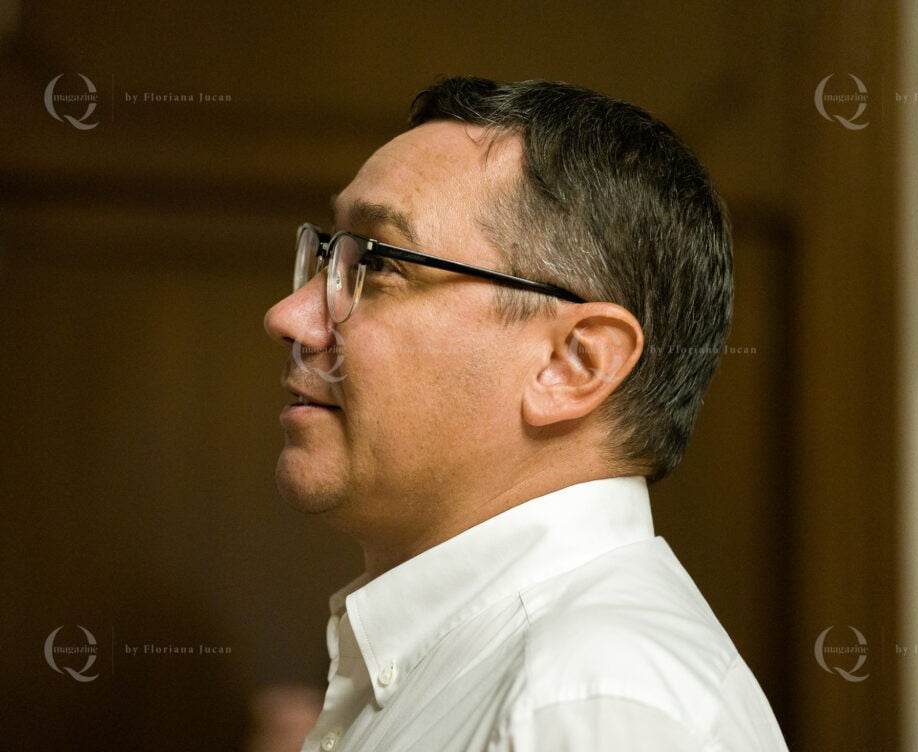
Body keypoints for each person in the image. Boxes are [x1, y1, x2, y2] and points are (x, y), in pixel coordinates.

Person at [264, 76, 788, 751]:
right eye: (327, 255)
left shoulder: (592, 705)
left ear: (573, 364)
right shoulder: (508, 672)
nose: (289, 316)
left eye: (378, 264)